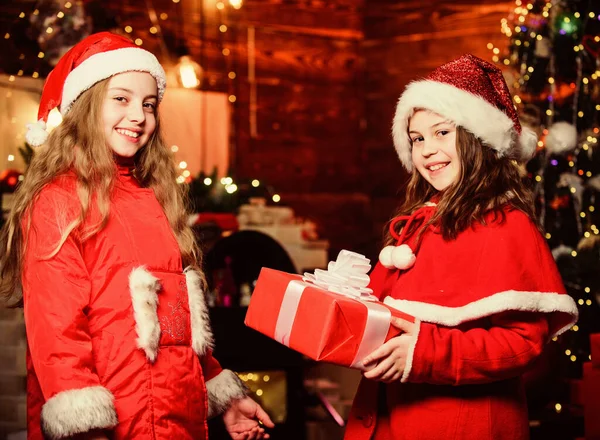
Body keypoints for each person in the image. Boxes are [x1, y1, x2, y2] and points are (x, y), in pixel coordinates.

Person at [0, 32, 273, 440]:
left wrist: (223, 397)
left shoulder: (155, 199)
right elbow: (58, 335)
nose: (139, 116)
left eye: (148, 104)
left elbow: (178, 324)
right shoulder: (58, 202)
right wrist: (85, 428)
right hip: (110, 425)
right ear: (87, 104)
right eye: (121, 99)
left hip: (177, 421)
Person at [343, 54, 579, 440]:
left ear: (478, 138)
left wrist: (425, 353)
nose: (426, 150)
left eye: (441, 133)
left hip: (461, 425)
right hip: (390, 417)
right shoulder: (419, 223)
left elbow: (524, 343)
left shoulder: (506, 225)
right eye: (417, 139)